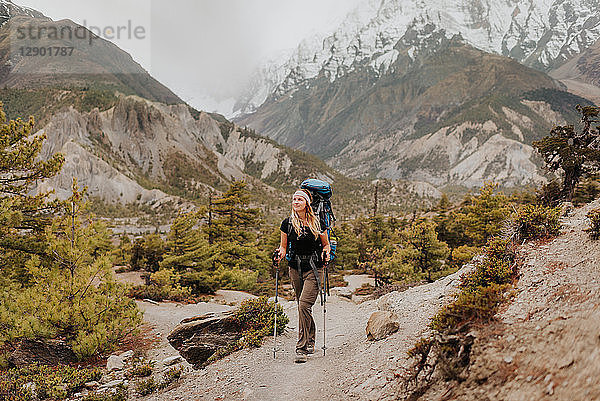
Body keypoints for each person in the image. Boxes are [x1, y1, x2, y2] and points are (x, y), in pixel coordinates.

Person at [276, 188, 331, 363]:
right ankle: (311, 338)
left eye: (300, 199)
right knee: (303, 306)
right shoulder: (287, 223)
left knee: (304, 306)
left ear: (307, 203)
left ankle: (301, 348)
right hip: (295, 268)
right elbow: (284, 247)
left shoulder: (318, 222)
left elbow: (326, 245)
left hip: (315, 268)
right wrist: (279, 254)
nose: (296, 202)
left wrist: (326, 253)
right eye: (294, 199)